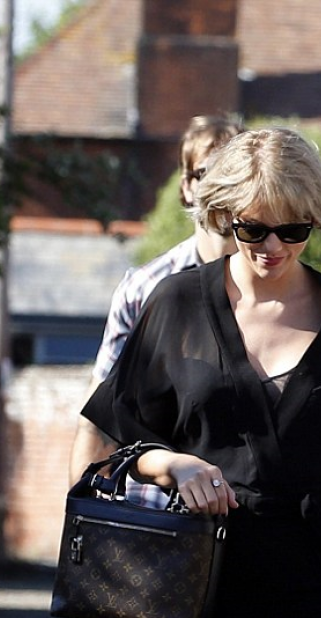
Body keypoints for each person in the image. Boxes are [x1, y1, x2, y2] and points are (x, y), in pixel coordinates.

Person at [80, 127, 321, 618]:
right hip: (195, 579)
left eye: (292, 230)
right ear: (227, 216)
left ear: (315, 219)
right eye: (253, 229)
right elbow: (112, 445)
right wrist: (173, 465)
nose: (273, 246)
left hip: (316, 586)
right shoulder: (177, 302)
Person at [69, 114, 243, 498]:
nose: (221, 188)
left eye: (234, 175)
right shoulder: (144, 288)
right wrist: (83, 513)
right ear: (187, 186)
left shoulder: (275, 291)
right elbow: (98, 421)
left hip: (238, 509)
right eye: (207, 174)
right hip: (150, 514)